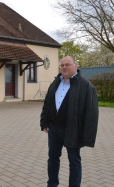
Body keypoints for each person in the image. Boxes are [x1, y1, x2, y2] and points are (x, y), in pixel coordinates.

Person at [40, 56, 99, 187]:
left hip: (73, 129)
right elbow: (47, 103)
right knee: (53, 159)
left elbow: (92, 113)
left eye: (68, 64)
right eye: (62, 65)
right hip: (54, 128)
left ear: (76, 66)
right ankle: (52, 184)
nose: (64, 67)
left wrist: (87, 136)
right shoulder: (56, 82)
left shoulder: (86, 86)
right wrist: (44, 121)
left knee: (74, 160)